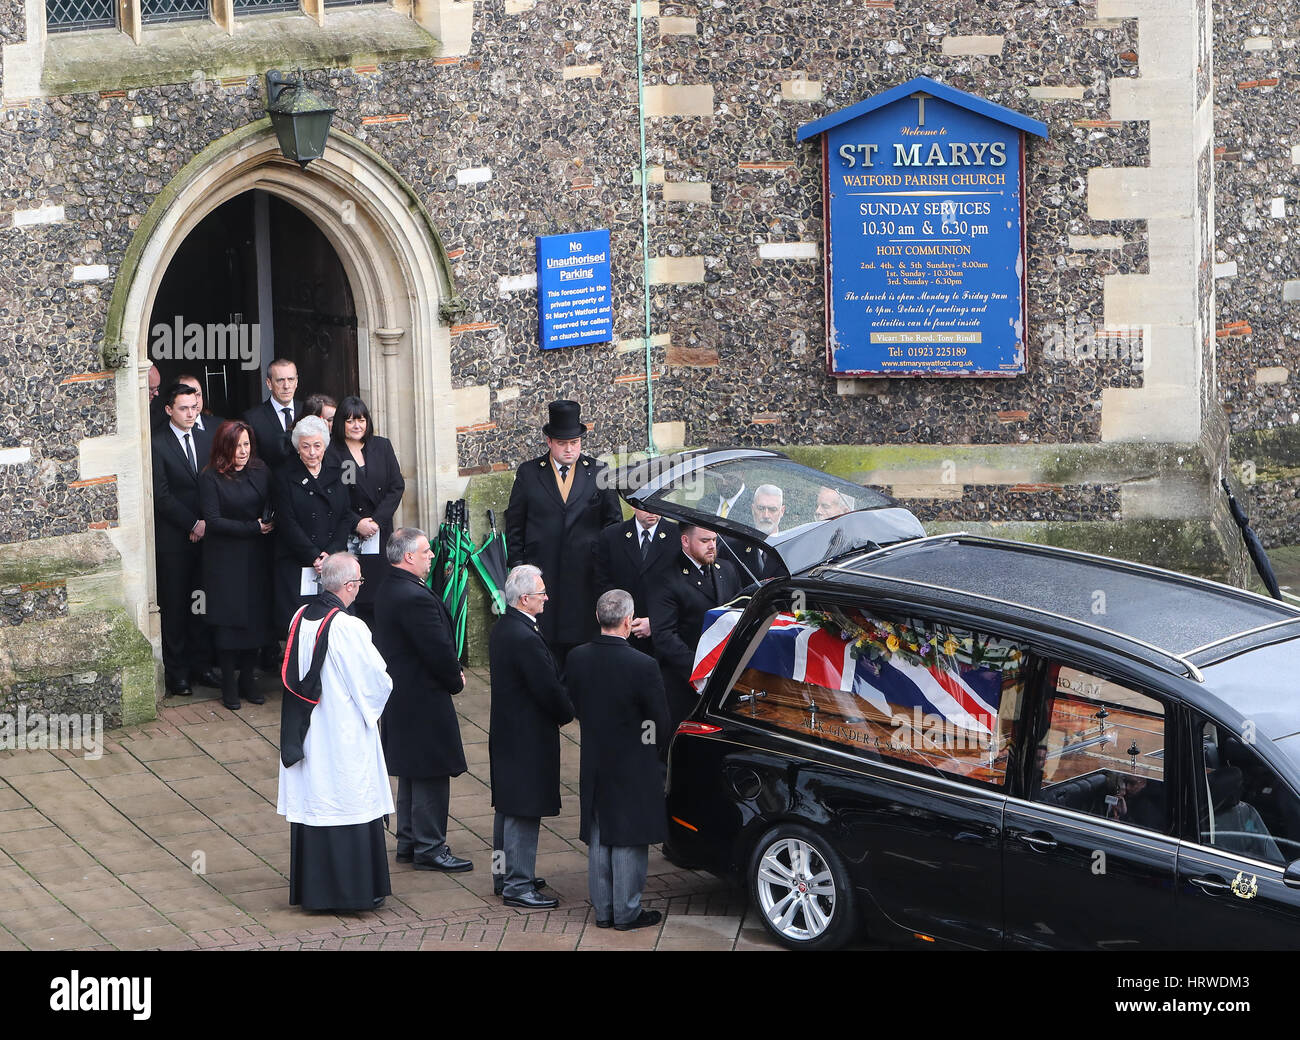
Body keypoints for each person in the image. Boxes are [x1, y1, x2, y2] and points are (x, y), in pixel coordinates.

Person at [277, 552, 394, 912]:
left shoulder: (300, 617)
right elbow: (375, 682)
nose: (360, 587)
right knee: (347, 800)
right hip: (342, 733)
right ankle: (352, 892)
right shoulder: (349, 627)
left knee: (317, 802)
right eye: (359, 581)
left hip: (309, 729)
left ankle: (316, 892)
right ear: (347, 586)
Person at [568, 589, 670, 931]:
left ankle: (605, 909)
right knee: (627, 833)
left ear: (598, 618)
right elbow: (658, 722)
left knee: (599, 831)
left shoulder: (577, 657)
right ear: (628, 621)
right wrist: (647, 747)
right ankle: (626, 912)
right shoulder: (643, 665)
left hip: (595, 756)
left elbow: (576, 705)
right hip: (632, 761)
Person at [373, 528, 472, 873]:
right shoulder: (412, 596)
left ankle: (409, 841)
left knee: (411, 770)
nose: (432, 555)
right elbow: (436, 648)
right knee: (431, 769)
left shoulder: (390, 587)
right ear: (408, 556)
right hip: (423, 696)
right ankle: (430, 847)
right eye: (426, 551)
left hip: (401, 695)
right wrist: (455, 677)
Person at [505, 400, 621, 672]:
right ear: (549, 441)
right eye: (562, 443)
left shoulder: (600, 471)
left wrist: (605, 567)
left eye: (575, 442)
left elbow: (613, 523)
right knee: (544, 640)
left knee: (583, 641)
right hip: (542, 574)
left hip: (585, 576)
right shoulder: (529, 473)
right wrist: (519, 569)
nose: (570, 449)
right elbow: (515, 525)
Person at [489, 565, 574, 908]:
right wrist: (567, 712)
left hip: (508, 732)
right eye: (541, 593)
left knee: (507, 807)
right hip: (527, 738)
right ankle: (518, 884)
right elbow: (547, 689)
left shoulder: (505, 627)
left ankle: (504, 873)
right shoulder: (525, 637)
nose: (547, 598)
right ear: (525, 599)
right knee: (523, 809)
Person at [199, 420, 275, 710]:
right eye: (237, 445)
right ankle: (229, 683)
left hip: (256, 556)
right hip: (225, 559)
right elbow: (214, 521)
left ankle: (248, 679)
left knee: (255, 620)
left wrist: (269, 520)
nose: (242, 451)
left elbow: (270, 501)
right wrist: (253, 528)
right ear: (224, 446)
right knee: (230, 622)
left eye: (246, 444)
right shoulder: (210, 477)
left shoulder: (260, 470)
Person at [151, 382, 217, 696]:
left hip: (205, 538)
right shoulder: (158, 444)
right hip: (174, 541)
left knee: (202, 602)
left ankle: (201, 665)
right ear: (169, 410)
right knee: (177, 605)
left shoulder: (207, 440)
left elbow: (215, 484)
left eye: (194, 407)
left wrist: (206, 523)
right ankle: (177, 673)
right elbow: (161, 496)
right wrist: (192, 523)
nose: (191, 413)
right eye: (183, 408)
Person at [272, 415, 359, 634]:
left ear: (325, 446)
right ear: (297, 448)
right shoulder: (284, 476)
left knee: (334, 624)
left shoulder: (337, 472)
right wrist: (313, 555)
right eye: (306, 446)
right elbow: (286, 521)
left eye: (317, 446)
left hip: (333, 561)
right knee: (302, 627)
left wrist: (329, 554)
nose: (312, 452)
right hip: (298, 560)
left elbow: (345, 516)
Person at [650, 524, 742, 728]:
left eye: (714, 540)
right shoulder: (666, 577)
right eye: (704, 541)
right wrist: (701, 667)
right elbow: (664, 635)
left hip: (722, 679)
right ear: (685, 541)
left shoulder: (726, 569)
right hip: (683, 681)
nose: (712, 546)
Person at [330, 396, 405, 629]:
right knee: (357, 592)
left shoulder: (381, 446)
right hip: (352, 534)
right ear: (340, 423)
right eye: (350, 420)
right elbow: (339, 496)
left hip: (379, 532)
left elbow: (396, 486)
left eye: (361, 420)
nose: (356, 426)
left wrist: (376, 521)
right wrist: (357, 523)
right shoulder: (334, 453)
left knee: (380, 591)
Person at [592, 507, 679, 658]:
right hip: (622, 634)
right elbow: (603, 582)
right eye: (645, 506)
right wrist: (624, 620)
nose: (652, 512)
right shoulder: (611, 536)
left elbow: (683, 588)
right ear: (633, 504)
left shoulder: (678, 535)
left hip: (664, 640)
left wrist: (656, 622)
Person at [243, 358, 302, 472]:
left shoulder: (307, 411)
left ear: (296, 381)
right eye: (280, 380)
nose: (286, 386)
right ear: (269, 383)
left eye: (291, 379)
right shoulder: (252, 419)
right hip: (272, 487)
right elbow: (253, 464)